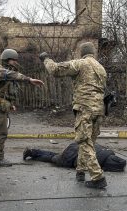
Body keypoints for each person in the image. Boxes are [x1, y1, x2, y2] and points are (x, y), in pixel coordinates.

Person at [39, 42, 107, 189]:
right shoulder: (101, 68)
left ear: (82, 52)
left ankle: (98, 176)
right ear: (93, 53)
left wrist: (46, 59)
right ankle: (80, 171)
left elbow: (55, 70)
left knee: (84, 142)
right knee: (89, 143)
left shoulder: (81, 63)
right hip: (99, 109)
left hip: (85, 109)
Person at [0, 49, 44, 167]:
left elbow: (4, 91)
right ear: (7, 60)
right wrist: (29, 79)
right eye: (13, 60)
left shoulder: (8, 73)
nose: (16, 62)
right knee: (2, 133)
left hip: (1, 106)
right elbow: (9, 75)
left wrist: (10, 104)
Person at [23, 143, 126, 172]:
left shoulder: (108, 152)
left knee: (54, 155)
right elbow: (77, 163)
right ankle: (32, 153)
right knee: (52, 158)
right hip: (71, 156)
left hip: (75, 146)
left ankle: (33, 152)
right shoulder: (97, 162)